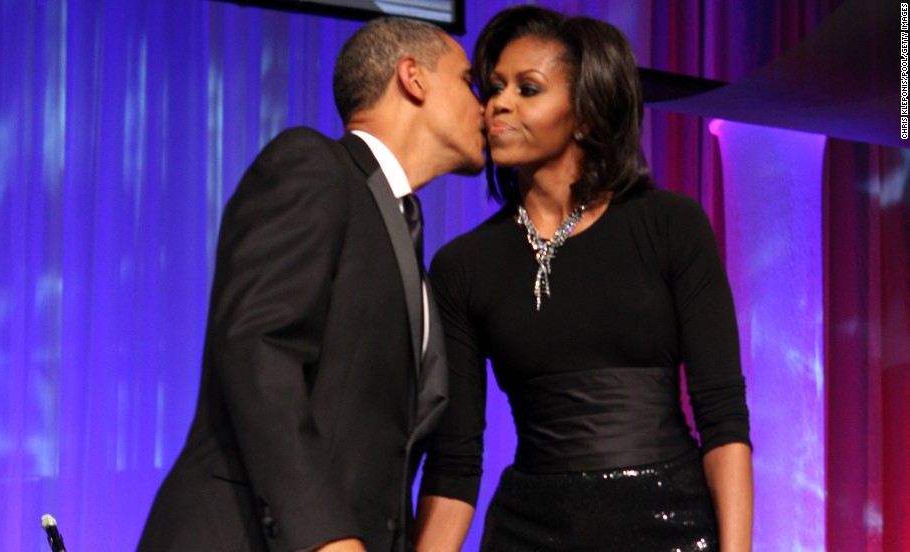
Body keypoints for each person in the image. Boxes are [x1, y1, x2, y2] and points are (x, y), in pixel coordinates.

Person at [137, 16, 484, 552]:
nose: (484, 106)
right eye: (469, 82)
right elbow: (259, 349)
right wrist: (328, 537)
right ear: (412, 77)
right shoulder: (314, 165)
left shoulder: (400, 227)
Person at [414, 6, 753, 551]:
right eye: (495, 86)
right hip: (529, 531)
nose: (498, 102)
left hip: (670, 522)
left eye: (528, 89)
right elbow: (455, 461)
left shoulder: (671, 225)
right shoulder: (462, 265)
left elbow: (723, 418)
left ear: (587, 116)